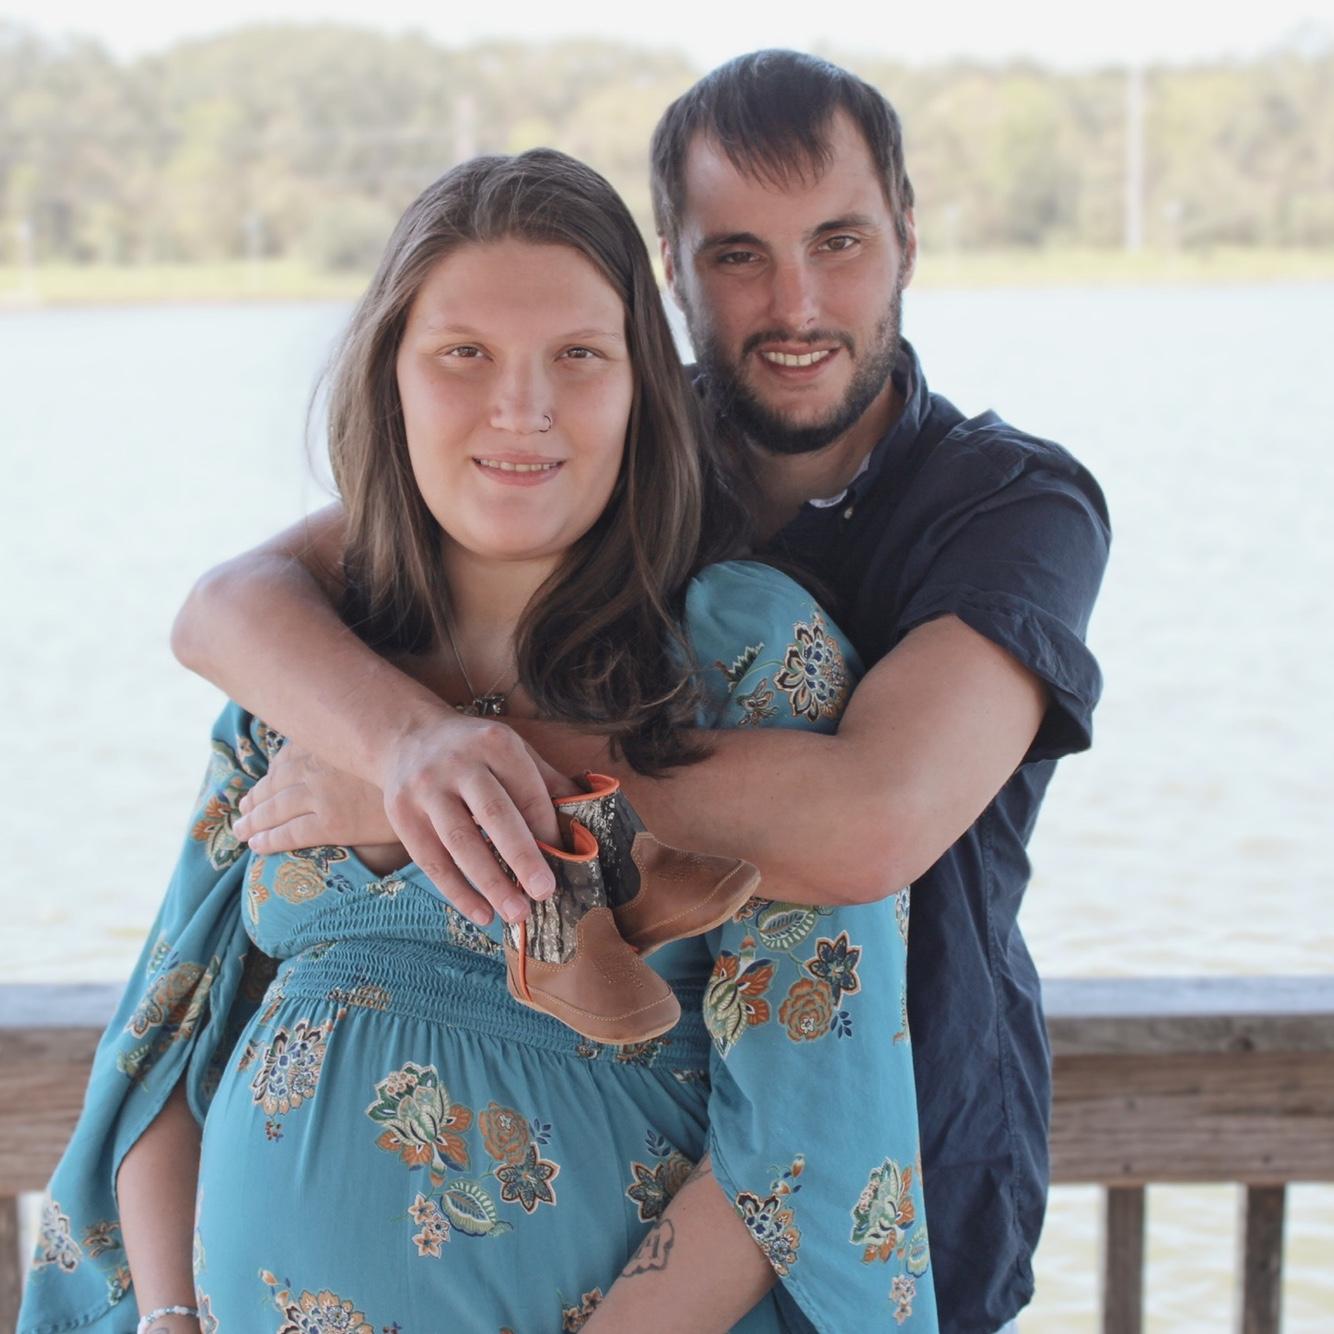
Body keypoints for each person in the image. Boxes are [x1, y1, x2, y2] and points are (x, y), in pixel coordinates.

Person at [171, 51, 1111, 1333]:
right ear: (671, 268)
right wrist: (405, 745)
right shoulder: (598, 437)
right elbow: (231, 604)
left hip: (906, 1178)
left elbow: (869, 819)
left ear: (906, 233)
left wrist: (444, 777)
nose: (794, 301)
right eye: (736, 254)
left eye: (837, 241)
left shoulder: (1009, 504)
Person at [20, 148, 936, 1334]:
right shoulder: (312, 666)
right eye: (464, 354)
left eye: (578, 355)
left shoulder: (744, 657)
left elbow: (804, 1133)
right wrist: (170, 1316)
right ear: (389, 379)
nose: (522, 407)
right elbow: (174, 1036)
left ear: (641, 389)